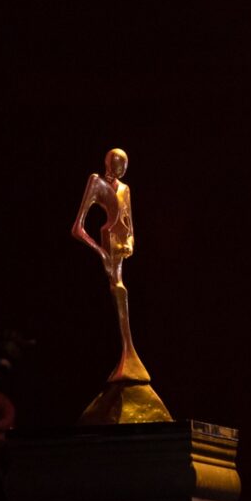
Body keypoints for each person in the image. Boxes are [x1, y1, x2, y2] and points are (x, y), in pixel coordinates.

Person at [71, 148, 150, 383]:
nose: (121, 168)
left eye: (124, 164)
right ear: (108, 163)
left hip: (121, 245)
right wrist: (100, 252)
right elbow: (77, 228)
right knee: (118, 289)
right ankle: (127, 352)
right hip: (108, 243)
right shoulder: (96, 183)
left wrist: (130, 243)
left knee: (120, 289)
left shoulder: (125, 189)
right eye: (117, 163)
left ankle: (129, 354)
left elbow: (129, 225)